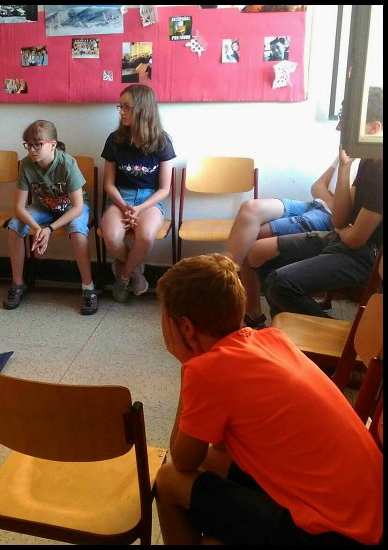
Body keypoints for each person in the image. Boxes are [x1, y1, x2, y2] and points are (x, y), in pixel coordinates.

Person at [154, 253, 383, 545]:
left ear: (185, 328)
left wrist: (188, 367)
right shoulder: (272, 339)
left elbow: (184, 461)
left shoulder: (206, 371)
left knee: (168, 481)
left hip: (336, 534)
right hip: (369, 512)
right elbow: (223, 446)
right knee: (216, 459)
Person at [247, 87, 383, 320]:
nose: (339, 127)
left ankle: (337, 336)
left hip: (366, 256)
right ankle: (290, 330)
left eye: (345, 121)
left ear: (373, 129)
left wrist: (343, 230)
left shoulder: (380, 170)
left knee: (280, 285)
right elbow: (339, 218)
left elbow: (355, 239)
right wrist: (345, 168)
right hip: (342, 240)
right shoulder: (367, 160)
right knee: (262, 259)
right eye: (341, 118)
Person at [224, 110, 360, 328]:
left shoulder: (366, 158)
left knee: (254, 238)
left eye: (343, 120)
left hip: (328, 217)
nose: (338, 127)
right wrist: (331, 200)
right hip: (316, 205)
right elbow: (317, 186)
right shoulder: (346, 149)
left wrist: (331, 201)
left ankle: (247, 311)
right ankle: (222, 277)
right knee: (250, 208)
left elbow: (346, 213)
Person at [4, 120, 98, 315]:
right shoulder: (26, 165)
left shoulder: (67, 164)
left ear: (53, 145)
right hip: (43, 207)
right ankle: (18, 284)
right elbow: (19, 207)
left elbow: (78, 207)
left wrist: (49, 229)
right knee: (14, 226)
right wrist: (37, 228)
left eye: (38, 144)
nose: (32, 150)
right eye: (28, 145)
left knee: (78, 231)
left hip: (71, 208)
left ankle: (88, 287)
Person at [100, 84, 175, 302]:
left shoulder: (162, 142)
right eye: (120, 107)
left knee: (146, 237)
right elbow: (109, 184)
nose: (122, 112)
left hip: (149, 200)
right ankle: (137, 272)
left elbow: (164, 189)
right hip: (119, 198)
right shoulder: (114, 139)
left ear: (143, 109)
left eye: (127, 107)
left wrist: (140, 208)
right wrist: (124, 207)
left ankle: (123, 276)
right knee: (111, 237)